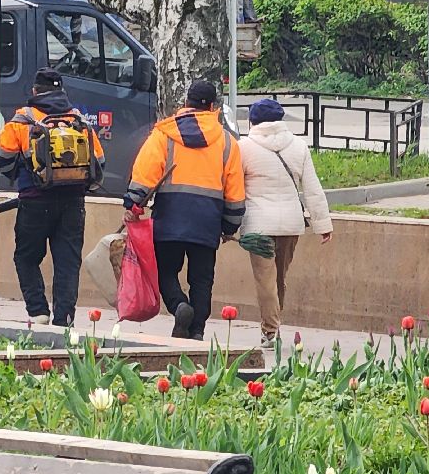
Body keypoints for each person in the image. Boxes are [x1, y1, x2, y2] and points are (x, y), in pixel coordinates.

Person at [125, 79, 245, 339]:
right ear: (213, 107)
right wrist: (230, 225)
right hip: (207, 222)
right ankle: (197, 331)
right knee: (202, 280)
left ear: (185, 104)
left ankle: (179, 305)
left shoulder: (164, 134)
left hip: (169, 217)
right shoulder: (227, 142)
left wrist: (133, 202)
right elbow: (234, 190)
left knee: (165, 271)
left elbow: (145, 172)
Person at [0, 67, 104, 327]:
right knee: (67, 262)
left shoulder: (23, 120)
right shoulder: (79, 120)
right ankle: (64, 318)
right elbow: (99, 163)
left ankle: (38, 311)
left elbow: (3, 159)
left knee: (26, 257)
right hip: (72, 203)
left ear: (34, 91)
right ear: (61, 90)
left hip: (34, 200)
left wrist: (25, 173)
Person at [238, 97, 332, 353]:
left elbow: (233, 188)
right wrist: (322, 223)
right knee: (279, 278)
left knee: (264, 280)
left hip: (258, 225)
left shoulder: (243, 147)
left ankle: (270, 331)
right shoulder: (298, 146)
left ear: (252, 121)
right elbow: (312, 188)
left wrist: (228, 223)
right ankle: (274, 324)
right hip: (291, 225)